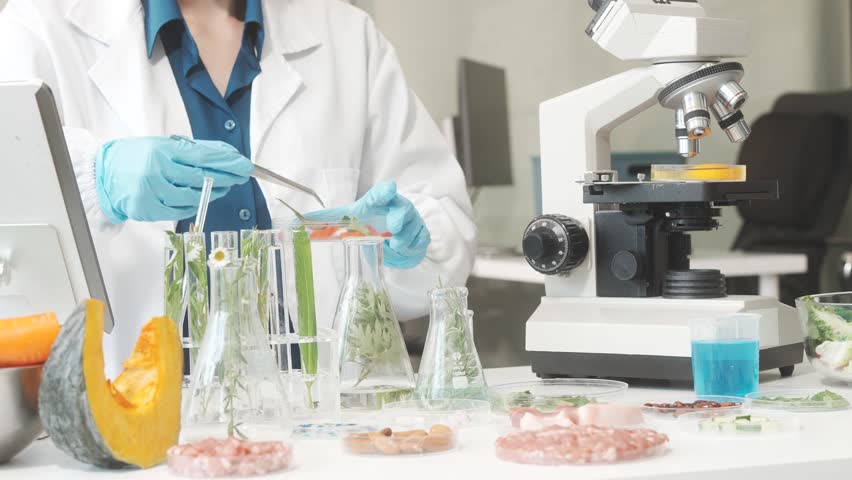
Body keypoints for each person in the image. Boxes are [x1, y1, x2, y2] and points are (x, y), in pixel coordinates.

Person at [0, 0, 476, 375]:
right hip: (124, 412)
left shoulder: (348, 37)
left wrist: (395, 247)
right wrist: (91, 178)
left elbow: (443, 220)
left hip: (321, 422)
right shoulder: (39, 25)